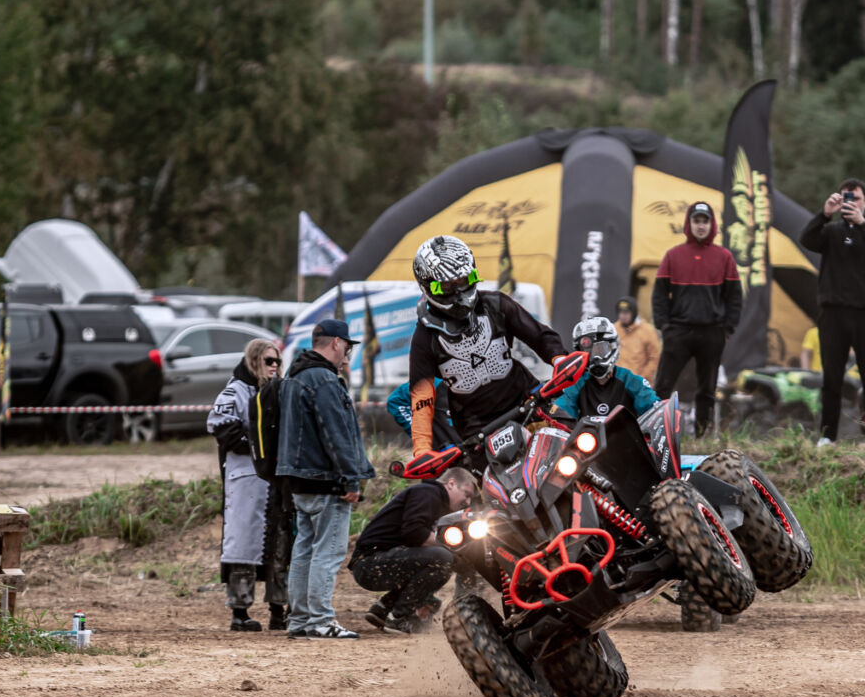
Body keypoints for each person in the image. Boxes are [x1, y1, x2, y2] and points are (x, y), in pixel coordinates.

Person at [406, 234, 565, 465]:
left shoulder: (496, 304)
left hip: (529, 403)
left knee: (577, 439)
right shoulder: (424, 338)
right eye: (448, 286)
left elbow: (539, 336)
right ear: (428, 286)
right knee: (504, 487)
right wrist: (421, 449)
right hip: (479, 433)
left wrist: (560, 359)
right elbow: (421, 397)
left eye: (463, 280)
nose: (459, 292)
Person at [277, 319, 375, 640]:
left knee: (304, 550)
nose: (347, 355)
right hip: (326, 480)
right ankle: (320, 620)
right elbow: (336, 433)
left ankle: (300, 620)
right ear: (335, 343)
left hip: (300, 479)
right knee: (327, 552)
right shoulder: (324, 380)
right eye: (346, 347)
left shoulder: (295, 376)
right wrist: (350, 478)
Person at [800, 178, 865, 449]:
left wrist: (862, 224)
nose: (851, 203)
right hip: (834, 313)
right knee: (831, 377)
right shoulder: (830, 232)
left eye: (856, 198)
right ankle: (827, 436)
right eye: (845, 198)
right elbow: (806, 239)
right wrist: (824, 214)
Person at [206, 338, 290, 632]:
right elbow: (222, 429)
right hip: (245, 481)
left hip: (276, 481)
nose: (274, 366)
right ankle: (240, 611)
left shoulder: (279, 391)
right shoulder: (235, 391)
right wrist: (260, 448)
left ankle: (279, 609)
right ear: (254, 361)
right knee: (242, 545)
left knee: (281, 545)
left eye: (277, 361)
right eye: (269, 361)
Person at [651, 201, 743, 436]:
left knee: (707, 388)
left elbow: (734, 297)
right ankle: (653, 432)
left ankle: (702, 435)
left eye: (705, 221)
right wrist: (664, 326)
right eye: (697, 221)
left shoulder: (724, 257)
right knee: (663, 385)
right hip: (678, 331)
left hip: (711, 332)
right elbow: (659, 294)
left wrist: (727, 328)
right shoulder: (673, 256)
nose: (701, 226)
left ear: (712, 225)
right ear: (689, 224)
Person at [350, 468, 477, 634]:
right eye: (466, 494)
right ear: (451, 484)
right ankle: (399, 617)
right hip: (369, 564)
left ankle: (384, 608)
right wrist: (451, 548)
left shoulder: (436, 501)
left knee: (447, 558)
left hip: (376, 562)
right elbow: (413, 532)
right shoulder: (428, 493)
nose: (467, 502)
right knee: (443, 558)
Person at [553, 316, 660, 420]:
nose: (595, 357)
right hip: (587, 432)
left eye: (601, 350)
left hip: (626, 432)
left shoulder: (630, 380)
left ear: (613, 347)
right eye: (588, 352)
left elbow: (655, 412)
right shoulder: (577, 384)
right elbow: (561, 411)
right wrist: (554, 413)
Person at [614, 297, 661, 382]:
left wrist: (640, 379)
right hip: (617, 381)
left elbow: (655, 358)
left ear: (634, 313)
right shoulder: (613, 329)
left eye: (626, 312)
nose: (623, 316)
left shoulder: (648, 331)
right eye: (620, 312)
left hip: (639, 383)